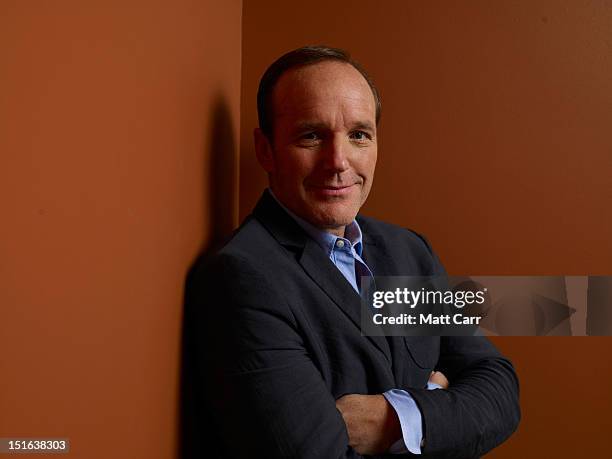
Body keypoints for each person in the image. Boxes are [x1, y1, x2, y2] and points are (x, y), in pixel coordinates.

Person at [183, 46, 520, 458]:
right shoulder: (242, 278)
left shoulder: (408, 251)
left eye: (359, 135)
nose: (338, 161)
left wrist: (399, 419)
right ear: (266, 149)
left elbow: (500, 390)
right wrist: (440, 405)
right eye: (311, 135)